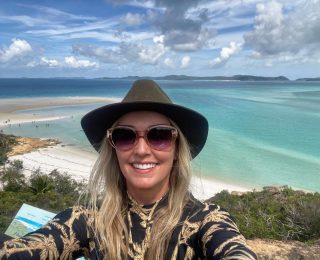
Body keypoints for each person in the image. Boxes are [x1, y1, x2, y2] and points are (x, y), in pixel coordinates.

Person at [0, 80, 257, 259]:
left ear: (178, 148)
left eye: (159, 135)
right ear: (113, 148)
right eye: (125, 136)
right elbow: (30, 248)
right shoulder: (88, 220)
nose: (142, 150)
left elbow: (234, 250)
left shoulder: (206, 220)